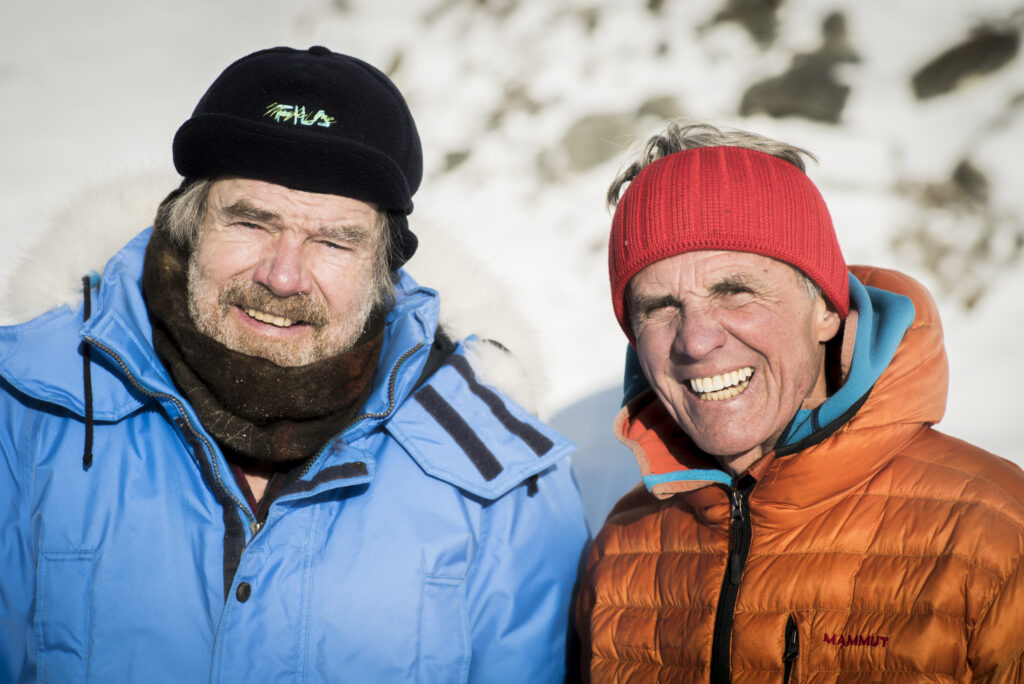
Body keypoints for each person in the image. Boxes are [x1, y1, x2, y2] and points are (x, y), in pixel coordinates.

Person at [0, 46, 588, 683]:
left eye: (333, 241)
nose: (282, 277)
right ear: (188, 223)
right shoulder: (25, 408)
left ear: (384, 269)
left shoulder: (504, 478)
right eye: (251, 223)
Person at [574, 122, 1024, 682]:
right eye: (659, 307)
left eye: (734, 291)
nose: (695, 340)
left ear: (826, 310)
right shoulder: (619, 552)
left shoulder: (993, 537)